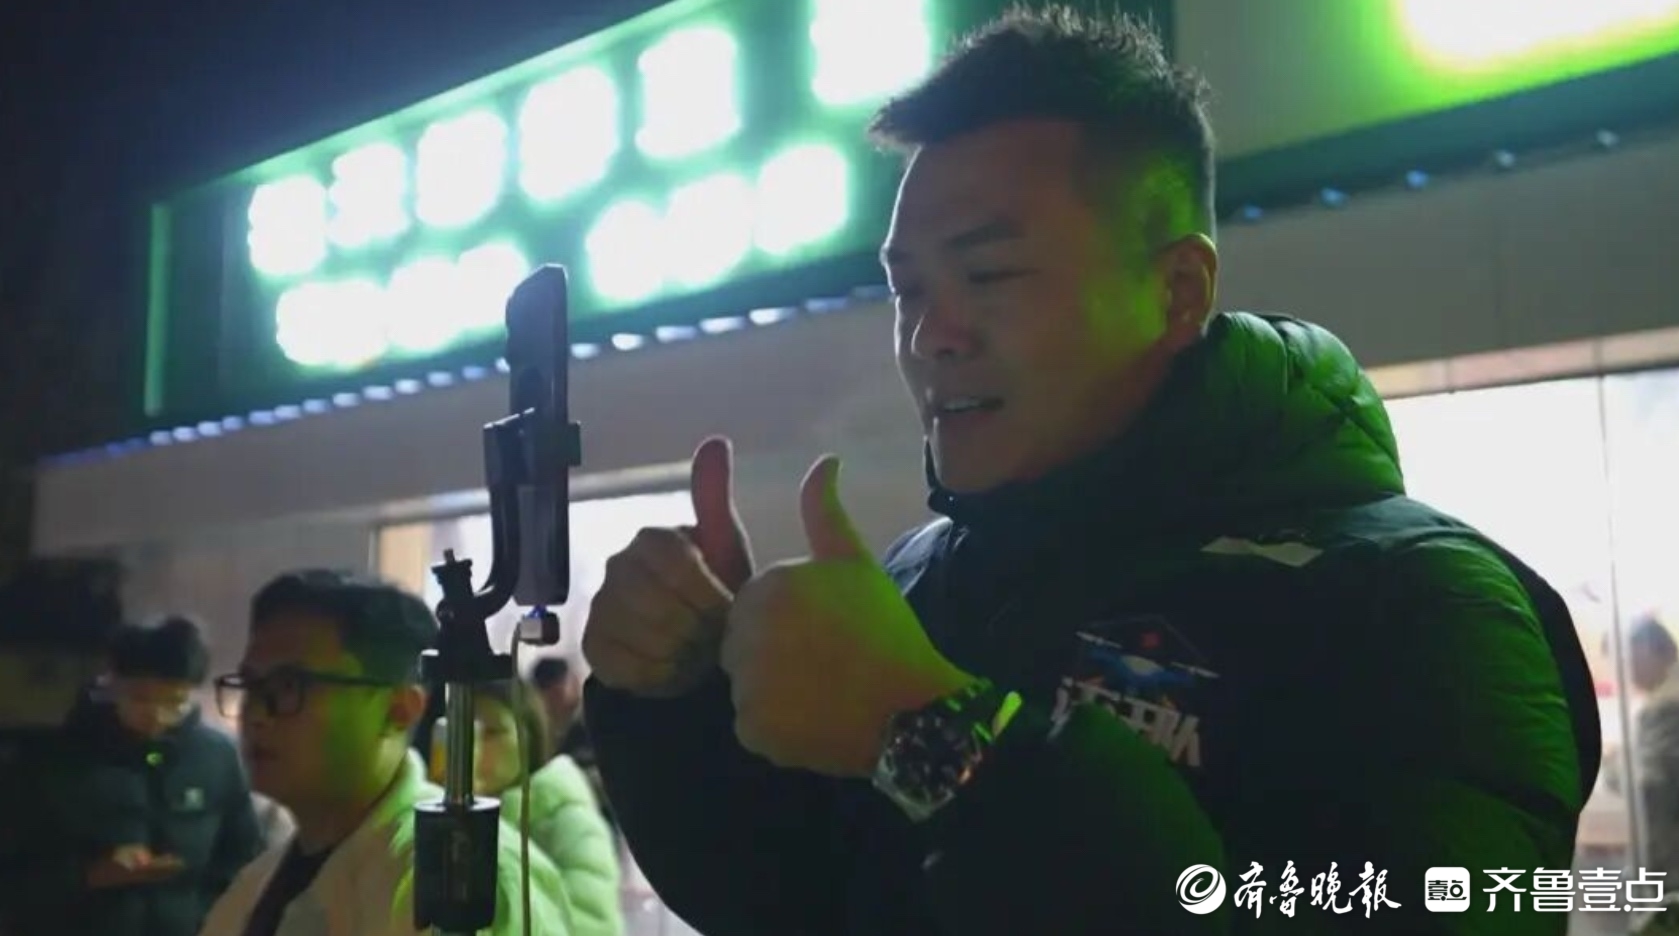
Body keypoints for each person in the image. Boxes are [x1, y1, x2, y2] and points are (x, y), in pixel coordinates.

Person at [579, 7, 1600, 935]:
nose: (931, 335)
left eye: (989, 274)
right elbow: (795, 897)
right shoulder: (926, 574)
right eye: (908, 290)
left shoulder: (1418, 608)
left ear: (1177, 291)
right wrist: (674, 699)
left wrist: (940, 739)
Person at [196, 569, 571, 936]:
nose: (256, 715)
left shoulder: (463, 882)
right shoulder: (257, 883)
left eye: (289, 686)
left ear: (399, 710)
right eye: (251, 685)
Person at [0, 615, 262, 936]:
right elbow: (13, 877)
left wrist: (207, 916)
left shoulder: (216, 757)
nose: (157, 715)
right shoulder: (51, 763)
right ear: (112, 685)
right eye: (141, 699)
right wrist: (91, 875)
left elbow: (245, 858)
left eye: (174, 702)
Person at [471, 679, 624, 936]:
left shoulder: (568, 819)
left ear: (528, 737)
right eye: (466, 732)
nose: (474, 746)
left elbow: (591, 925)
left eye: (492, 733)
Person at [1604, 616, 1679, 885]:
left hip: (1674, 862)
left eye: (1622, 660)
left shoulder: (1669, 704)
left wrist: (1613, 764)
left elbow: (1647, 786)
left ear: (1646, 650)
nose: (1621, 672)